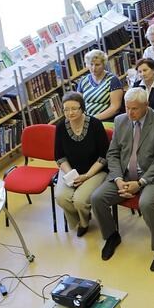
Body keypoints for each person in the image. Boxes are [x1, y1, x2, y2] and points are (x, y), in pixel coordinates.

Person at [92, 88, 154, 272]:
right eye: (127, 107)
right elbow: (113, 153)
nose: (130, 113)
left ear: (146, 106)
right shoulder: (120, 120)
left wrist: (140, 183)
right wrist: (117, 179)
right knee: (97, 198)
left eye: (135, 109)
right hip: (124, 175)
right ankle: (111, 236)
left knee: (146, 203)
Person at [54, 92, 110, 237]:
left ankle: (84, 223)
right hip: (70, 169)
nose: (70, 113)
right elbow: (59, 156)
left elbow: (104, 156)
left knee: (79, 200)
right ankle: (80, 218)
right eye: (66, 109)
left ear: (82, 108)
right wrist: (71, 174)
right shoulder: (60, 127)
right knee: (61, 197)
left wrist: (86, 176)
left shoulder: (95, 124)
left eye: (74, 109)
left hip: (95, 170)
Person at [76, 49, 123, 122]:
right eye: (91, 64)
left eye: (97, 65)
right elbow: (77, 103)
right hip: (85, 120)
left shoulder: (113, 80)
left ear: (104, 64)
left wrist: (93, 119)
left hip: (105, 120)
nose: (94, 68)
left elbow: (115, 108)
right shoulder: (83, 81)